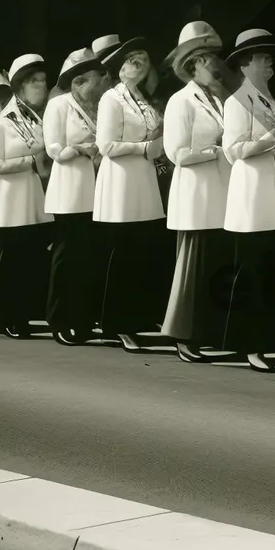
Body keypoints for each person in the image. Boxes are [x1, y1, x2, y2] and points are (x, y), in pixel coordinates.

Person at [160, 22, 237, 364]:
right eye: (207, 61)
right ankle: (184, 335)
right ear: (193, 65)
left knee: (214, 265)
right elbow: (176, 153)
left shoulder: (219, 98)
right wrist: (214, 150)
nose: (215, 66)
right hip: (195, 194)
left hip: (218, 191)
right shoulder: (181, 101)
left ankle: (210, 331)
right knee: (192, 267)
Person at [93, 35, 171, 351]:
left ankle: (138, 315)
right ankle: (117, 322)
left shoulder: (141, 98)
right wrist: (144, 148)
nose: (138, 65)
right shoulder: (111, 99)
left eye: (142, 59)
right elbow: (106, 145)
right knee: (123, 254)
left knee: (142, 251)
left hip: (144, 180)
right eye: (131, 60)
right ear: (119, 68)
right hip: (122, 181)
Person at [222, 28, 275, 370]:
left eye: (270, 59)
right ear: (246, 65)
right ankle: (249, 343)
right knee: (251, 271)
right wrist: (270, 140)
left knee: (270, 269)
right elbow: (233, 151)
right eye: (263, 59)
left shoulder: (271, 101)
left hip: (274, 191)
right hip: (251, 196)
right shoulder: (236, 102)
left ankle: (269, 335)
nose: (270, 66)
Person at [0, 55, 53, 338]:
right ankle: (6, 316)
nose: (41, 86)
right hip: (7, 203)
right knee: (11, 262)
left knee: (26, 261)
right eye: (35, 81)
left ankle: (16, 314)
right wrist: (29, 162)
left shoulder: (34, 117)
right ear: (20, 86)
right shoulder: (0, 122)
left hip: (31, 200)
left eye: (44, 81)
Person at [44, 48, 109, 345]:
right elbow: (53, 148)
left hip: (95, 189)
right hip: (69, 189)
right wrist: (82, 148)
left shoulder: (98, 107)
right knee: (66, 256)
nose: (101, 84)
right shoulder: (58, 106)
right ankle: (60, 318)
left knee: (88, 257)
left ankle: (83, 317)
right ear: (80, 80)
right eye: (97, 78)